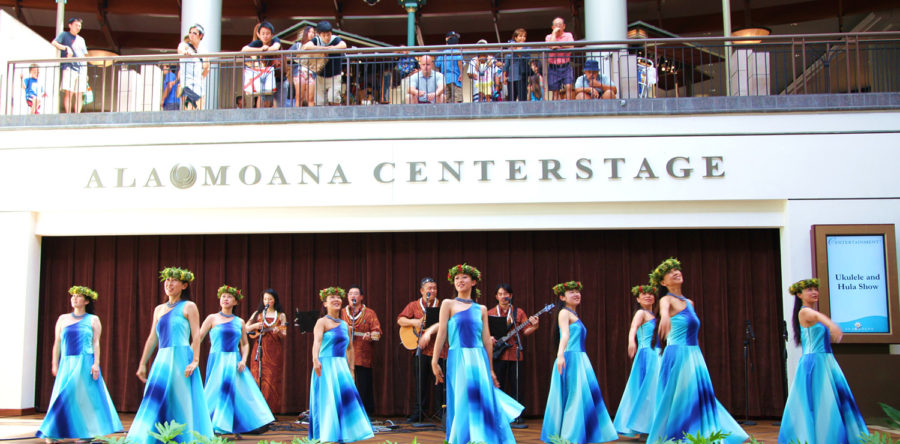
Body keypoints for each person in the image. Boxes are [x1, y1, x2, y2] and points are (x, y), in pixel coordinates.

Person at [647, 258, 748, 444]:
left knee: (699, 394)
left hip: (694, 354)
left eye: (677, 269)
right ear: (663, 282)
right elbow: (663, 309)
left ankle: (702, 433)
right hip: (678, 354)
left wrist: (698, 357)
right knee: (682, 395)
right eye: (670, 272)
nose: (676, 272)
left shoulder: (689, 303)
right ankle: (680, 434)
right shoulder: (666, 300)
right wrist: (665, 317)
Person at [431, 264, 523, 444]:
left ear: (473, 282)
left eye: (464, 277)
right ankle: (463, 439)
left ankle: (483, 438)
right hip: (458, 358)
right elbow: (442, 333)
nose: (460, 280)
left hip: (478, 359)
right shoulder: (448, 304)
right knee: (463, 399)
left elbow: (486, 340)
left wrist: (491, 369)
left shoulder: (481, 309)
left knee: (481, 399)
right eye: (457, 278)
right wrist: (434, 361)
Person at [778, 278, 868, 444]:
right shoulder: (804, 312)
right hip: (814, 363)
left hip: (826, 361)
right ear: (799, 295)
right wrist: (831, 325)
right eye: (809, 290)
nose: (814, 292)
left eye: (815, 289)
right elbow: (817, 316)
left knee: (832, 401)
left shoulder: (813, 314)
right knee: (821, 401)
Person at [128, 267, 213, 444]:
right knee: (156, 396)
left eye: (174, 280)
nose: (169, 283)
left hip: (181, 358)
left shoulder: (189, 306)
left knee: (179, 398)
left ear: (184, 285)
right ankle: (153, 438)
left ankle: (183, 438)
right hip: (162, 359)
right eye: (167, 280)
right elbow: (152, 338)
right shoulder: (159, 309)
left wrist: (195, 360)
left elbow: (196, 335)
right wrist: (143, 363)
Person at [36, 286, 122, 442]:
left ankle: (86, 433)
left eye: (78, 296)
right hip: (67, 362)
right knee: (61, 396)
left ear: (86, 301)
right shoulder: (62, 319)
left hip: (85, 362)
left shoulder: (93, 319)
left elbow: (96, 343)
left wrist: (96, 363)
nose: (74, 298)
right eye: (73, 296)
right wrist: (54, 363)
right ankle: (52, 432)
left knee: (84, 398)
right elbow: (57, 343)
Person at [540, 281, 617, 444]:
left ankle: (581, 434)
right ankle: (570, 437)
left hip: (580, 358)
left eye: (577, 291)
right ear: (562, 297)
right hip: (571, 358)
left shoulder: (573, 314)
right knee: (574, 396)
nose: (576, 294)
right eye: (571, 292)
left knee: (581, 396)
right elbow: (565, 335)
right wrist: (560, 355)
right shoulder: (564, 313)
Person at [193, 285, 275, 436]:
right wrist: (192, 357)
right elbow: (199, 337)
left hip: (233, 359)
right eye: (223, 296)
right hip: (217, 359)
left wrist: (243, 360)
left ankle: (231, 423)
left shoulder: (240, 322)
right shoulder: (212, 318)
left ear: (236, 302)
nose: (225, 299)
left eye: (229, 297)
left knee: (239, 392)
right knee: (215, 390)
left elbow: (244, 344)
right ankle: (211, 422)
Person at [309, 286, 375, 443]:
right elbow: (316, 342)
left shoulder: (345, 325)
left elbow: (350, 348)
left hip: (341, 367)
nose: (336, 300)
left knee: (345, 399)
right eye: (331, 298)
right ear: (325, 303)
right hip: (325, 366)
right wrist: (315, 360)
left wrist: (351, 369)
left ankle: (345, 433)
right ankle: (327, 435)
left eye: (338, 297)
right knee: (328, 401)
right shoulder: (321, 322)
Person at [613, 284, 660, 437]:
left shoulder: (656, 315)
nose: (648, 296)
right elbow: (633, 327)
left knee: (653, 389)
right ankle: (643, 426)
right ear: (638, 299)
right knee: (645, 388)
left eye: (650, 294)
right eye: (644, 294)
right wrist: (631, 341)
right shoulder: (641, 313)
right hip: (646, 353)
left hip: (657, 353)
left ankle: (650, 425)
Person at [489, 283, 539, 423]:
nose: (503, 296)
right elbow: (484, 332)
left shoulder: (519, 312)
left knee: (517, 386)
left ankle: (517, 416)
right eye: (500, 294)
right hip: (497, 354)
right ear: (496, 296)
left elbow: (525, 331)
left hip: (515, 353)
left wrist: (535, 326)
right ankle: (498, 414)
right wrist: (489, 338)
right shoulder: (490, 312)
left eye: (506, 294)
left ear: (510, 296)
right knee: (498, 385)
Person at [397, 277, 444, 423]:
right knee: (420, 383)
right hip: (420, 350)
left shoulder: (442, 305)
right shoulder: (413, 305)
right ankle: (419, 413)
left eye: (434, 288)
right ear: (422, 291)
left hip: (439, 350)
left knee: (440, 382)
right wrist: (414, 322)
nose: (432, 291)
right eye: (429, 288)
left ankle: (441, 412)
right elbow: (400, 320)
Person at [340, 285, 383, 414]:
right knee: (344, 384)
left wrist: (371, 335)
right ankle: (345, 412)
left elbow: (377, 333)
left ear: (361, 297)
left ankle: (364, 413)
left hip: (363, 355)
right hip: (344, 355)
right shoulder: (341, 313)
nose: (352, 296)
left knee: (364, 386)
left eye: (356, 293)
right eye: (350, 293)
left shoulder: (370, 313)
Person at [246, 288, 287, 414]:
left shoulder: (281, 315)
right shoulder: (257, 314)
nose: (267, 301)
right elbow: (245, 328)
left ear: (275, 300)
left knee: (271, 379)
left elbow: (284, 334)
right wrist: (255, 326)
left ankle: (270, 411)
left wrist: (278, 331)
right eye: (265, 299)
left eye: (270, 299)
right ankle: (257, 412)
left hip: (274, 351)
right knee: (257, 377)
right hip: (259, 349)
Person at [303, 21, 346, 106]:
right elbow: (306, 46)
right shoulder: (317, 40)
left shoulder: (335, 39)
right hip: (320, 76)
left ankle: (336, 114)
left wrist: (331, 48)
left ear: (331, 33)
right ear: (319, 34)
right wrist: (322, 48)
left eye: (328, 34)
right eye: (324, 35)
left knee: (334, 98)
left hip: (335, 75)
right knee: (319, 101)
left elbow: (343, 45)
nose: (326, 37)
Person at [50, 17, 88, 113]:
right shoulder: (64, 35)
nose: (78, 27)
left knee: (79, 94)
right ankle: (68, 114)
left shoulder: (81, 39)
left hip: (81, 69)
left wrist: (85, 71)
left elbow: (84, 55)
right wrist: (66, 48)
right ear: (70, 25)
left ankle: (77, 114)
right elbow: (54, 42)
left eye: (79, 26)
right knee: (69, 92)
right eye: (76, 25)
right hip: (69, 67)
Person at [241, 21, 282, 108]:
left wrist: (267, 49)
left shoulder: (275, 40)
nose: (265, 36)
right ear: (259, 34)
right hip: (264, 76)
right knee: (263, 98)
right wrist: (261, 49)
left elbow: (275, 47)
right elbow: (244, 49)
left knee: (276, 103)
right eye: (263, 33)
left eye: (267, 33)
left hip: (277, 76)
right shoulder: (258, 43)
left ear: (272, 34)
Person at [178, 24, 210, 110]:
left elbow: (207, 68)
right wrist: (185, 53)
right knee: (189, 109)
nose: (191, 35)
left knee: (199, 110)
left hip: (199, 86)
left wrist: (200, 78)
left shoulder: (204, 51)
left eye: (194, 33)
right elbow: (180, 50)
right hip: (187, 84)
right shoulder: (184, 45)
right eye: (190, 32)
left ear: (200, 36)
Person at [544, 17, 575, 101]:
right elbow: (551, 46)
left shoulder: (568, 35)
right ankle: (555, 108)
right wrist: (554, 33)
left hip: (566, 65)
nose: (558, 27)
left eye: (560, 25)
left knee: (568, 86)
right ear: (552, 27)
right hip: (553, 67)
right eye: (556, 25)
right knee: (555, 91)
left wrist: (558, 45)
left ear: (564, 26)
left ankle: (568, 106)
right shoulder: (549, 37)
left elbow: (571, 46)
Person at [289, 26, 318, 107]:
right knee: (299, 97)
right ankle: (297, 114)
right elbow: (287, 55)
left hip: (311, 73)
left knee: (311, 98)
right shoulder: (297, 46)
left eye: (313, 32)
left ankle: (311, 114)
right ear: (305, 33)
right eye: (309, 32)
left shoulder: (315, 46)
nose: (311, 34)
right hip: (299, 72)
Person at [434, 31, 464, 103]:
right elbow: (460, 62)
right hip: (456, 79)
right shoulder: (457, 52)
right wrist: (461, 73)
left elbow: (437, 64)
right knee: (457, 100)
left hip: (445, 79)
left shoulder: (443, 53)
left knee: (446, 100)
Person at [503, 29, 530, 102]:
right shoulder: (511, 47)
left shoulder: (527, 48)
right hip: (511, 77)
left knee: (522, 98)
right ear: (515, 37)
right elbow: (507, 62)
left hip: (521, 76)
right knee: (511, 99)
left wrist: (517, 50)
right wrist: (504, 75)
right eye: (520, 36)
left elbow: (527, 59)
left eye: (524, 36)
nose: (522, 38)